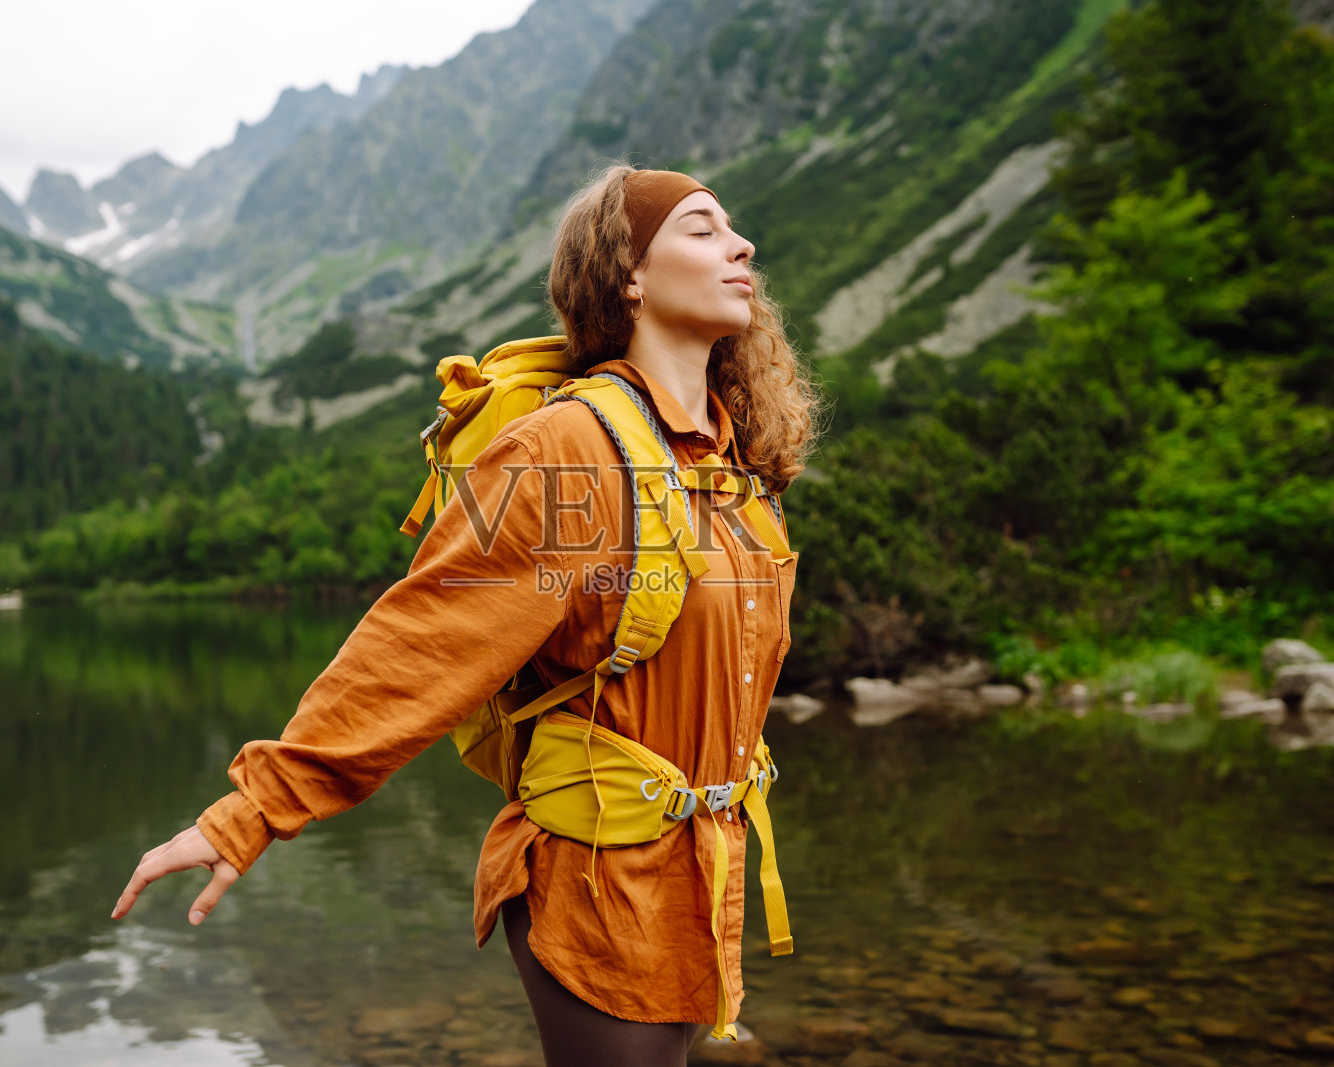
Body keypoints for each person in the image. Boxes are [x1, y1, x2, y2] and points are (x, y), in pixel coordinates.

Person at [111, 164, 825, 1066]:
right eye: (701, 226)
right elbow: (419, 644)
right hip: (596, 879)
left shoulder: (734, 470)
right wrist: (251, 812)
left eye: (734, 227)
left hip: (696, 872)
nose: (741, 244)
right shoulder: (565, 450)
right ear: (629, 275)